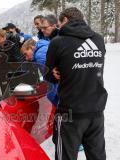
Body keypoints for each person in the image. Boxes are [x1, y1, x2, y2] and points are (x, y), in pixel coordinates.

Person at [45, 7, 108, 160]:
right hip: (96, 110)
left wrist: (54, 73)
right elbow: (93, 69)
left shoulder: (57, 42)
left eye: (60, 24)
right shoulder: (98, 39)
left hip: (69, 111)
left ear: (65, 20)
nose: (59, 28)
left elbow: (48, 76)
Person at [21, 39, 58, 106]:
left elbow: (49, 77)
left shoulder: (40, 55)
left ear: (31, 47)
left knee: (51, 98)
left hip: (59, 82)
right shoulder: (44, 46)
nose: (26, 58)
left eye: (26, 54)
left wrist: (50, 99)